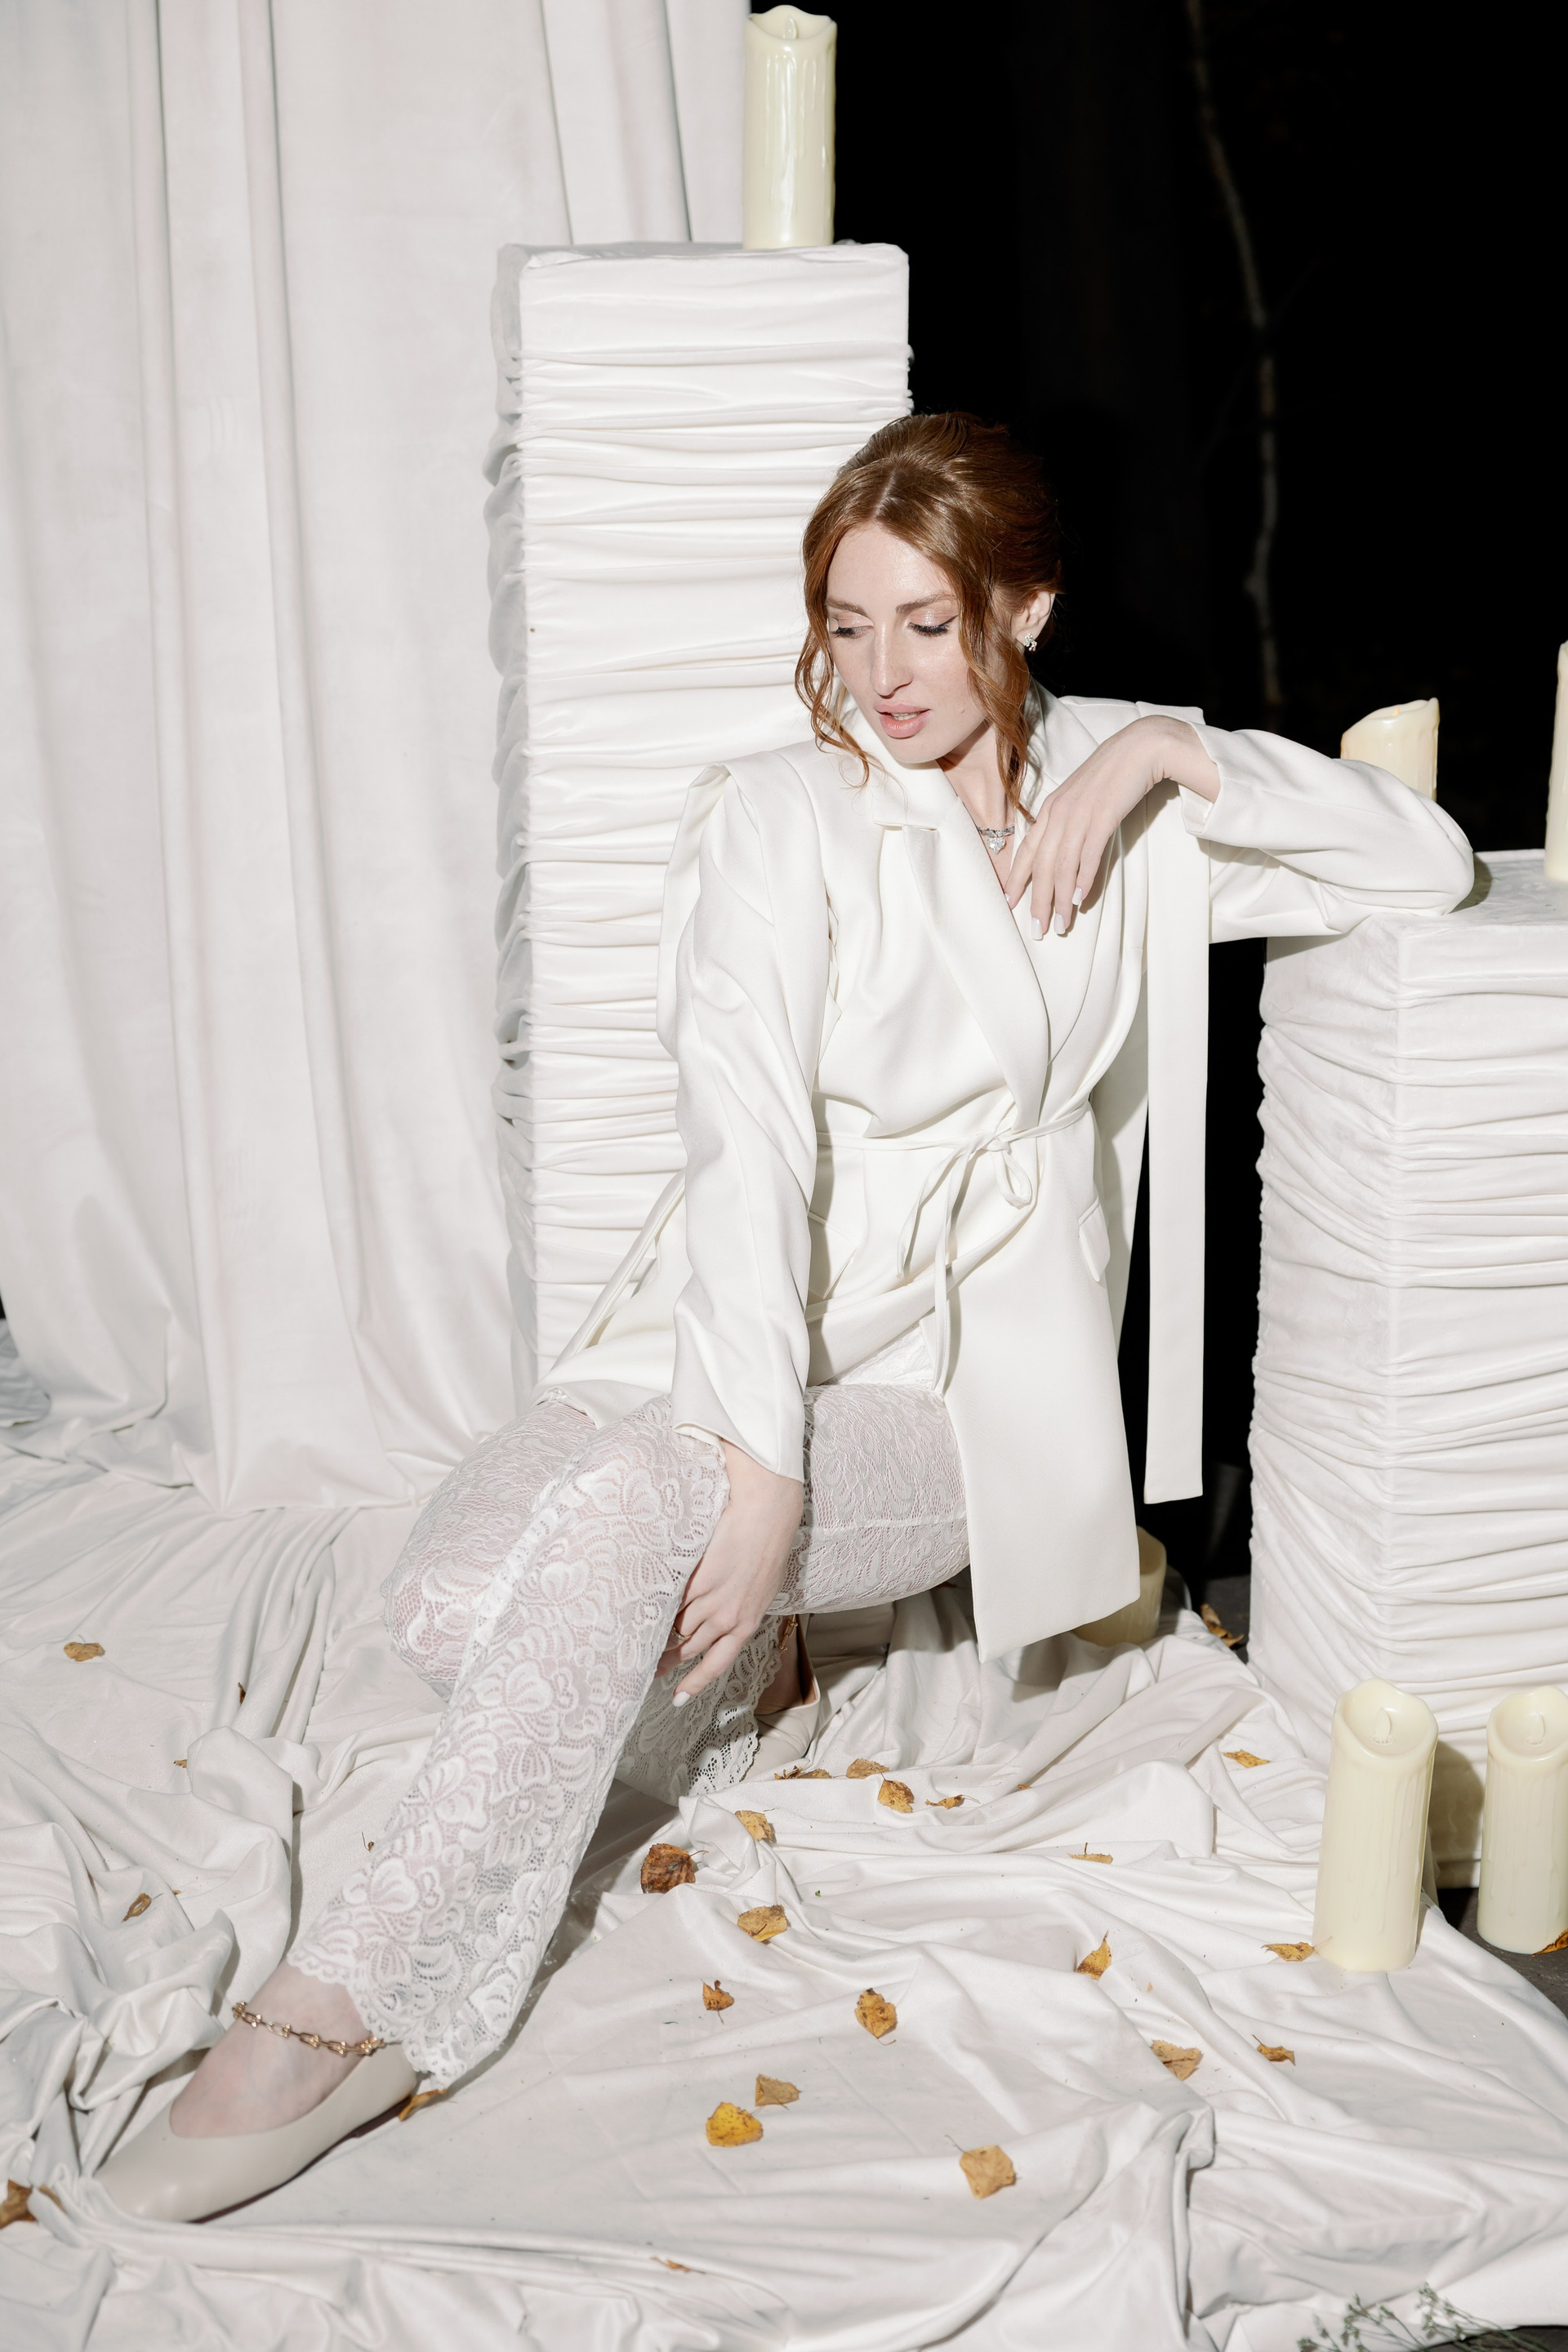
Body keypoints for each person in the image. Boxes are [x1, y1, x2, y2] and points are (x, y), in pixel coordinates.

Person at [102, 414, 1472, 2221]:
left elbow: (1422, 860)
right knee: (450, 1602)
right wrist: (760, 1467)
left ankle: (347, 2011)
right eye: (847, 624)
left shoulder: (1124, 808)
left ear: (1026, 608)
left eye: (929, 622)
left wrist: (1165, 751)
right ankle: (763, 1672)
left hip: (975, 1378)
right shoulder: (778, 816)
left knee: (633, 1520)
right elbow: (742, 1149)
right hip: (745, 1323)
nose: (883, 674)